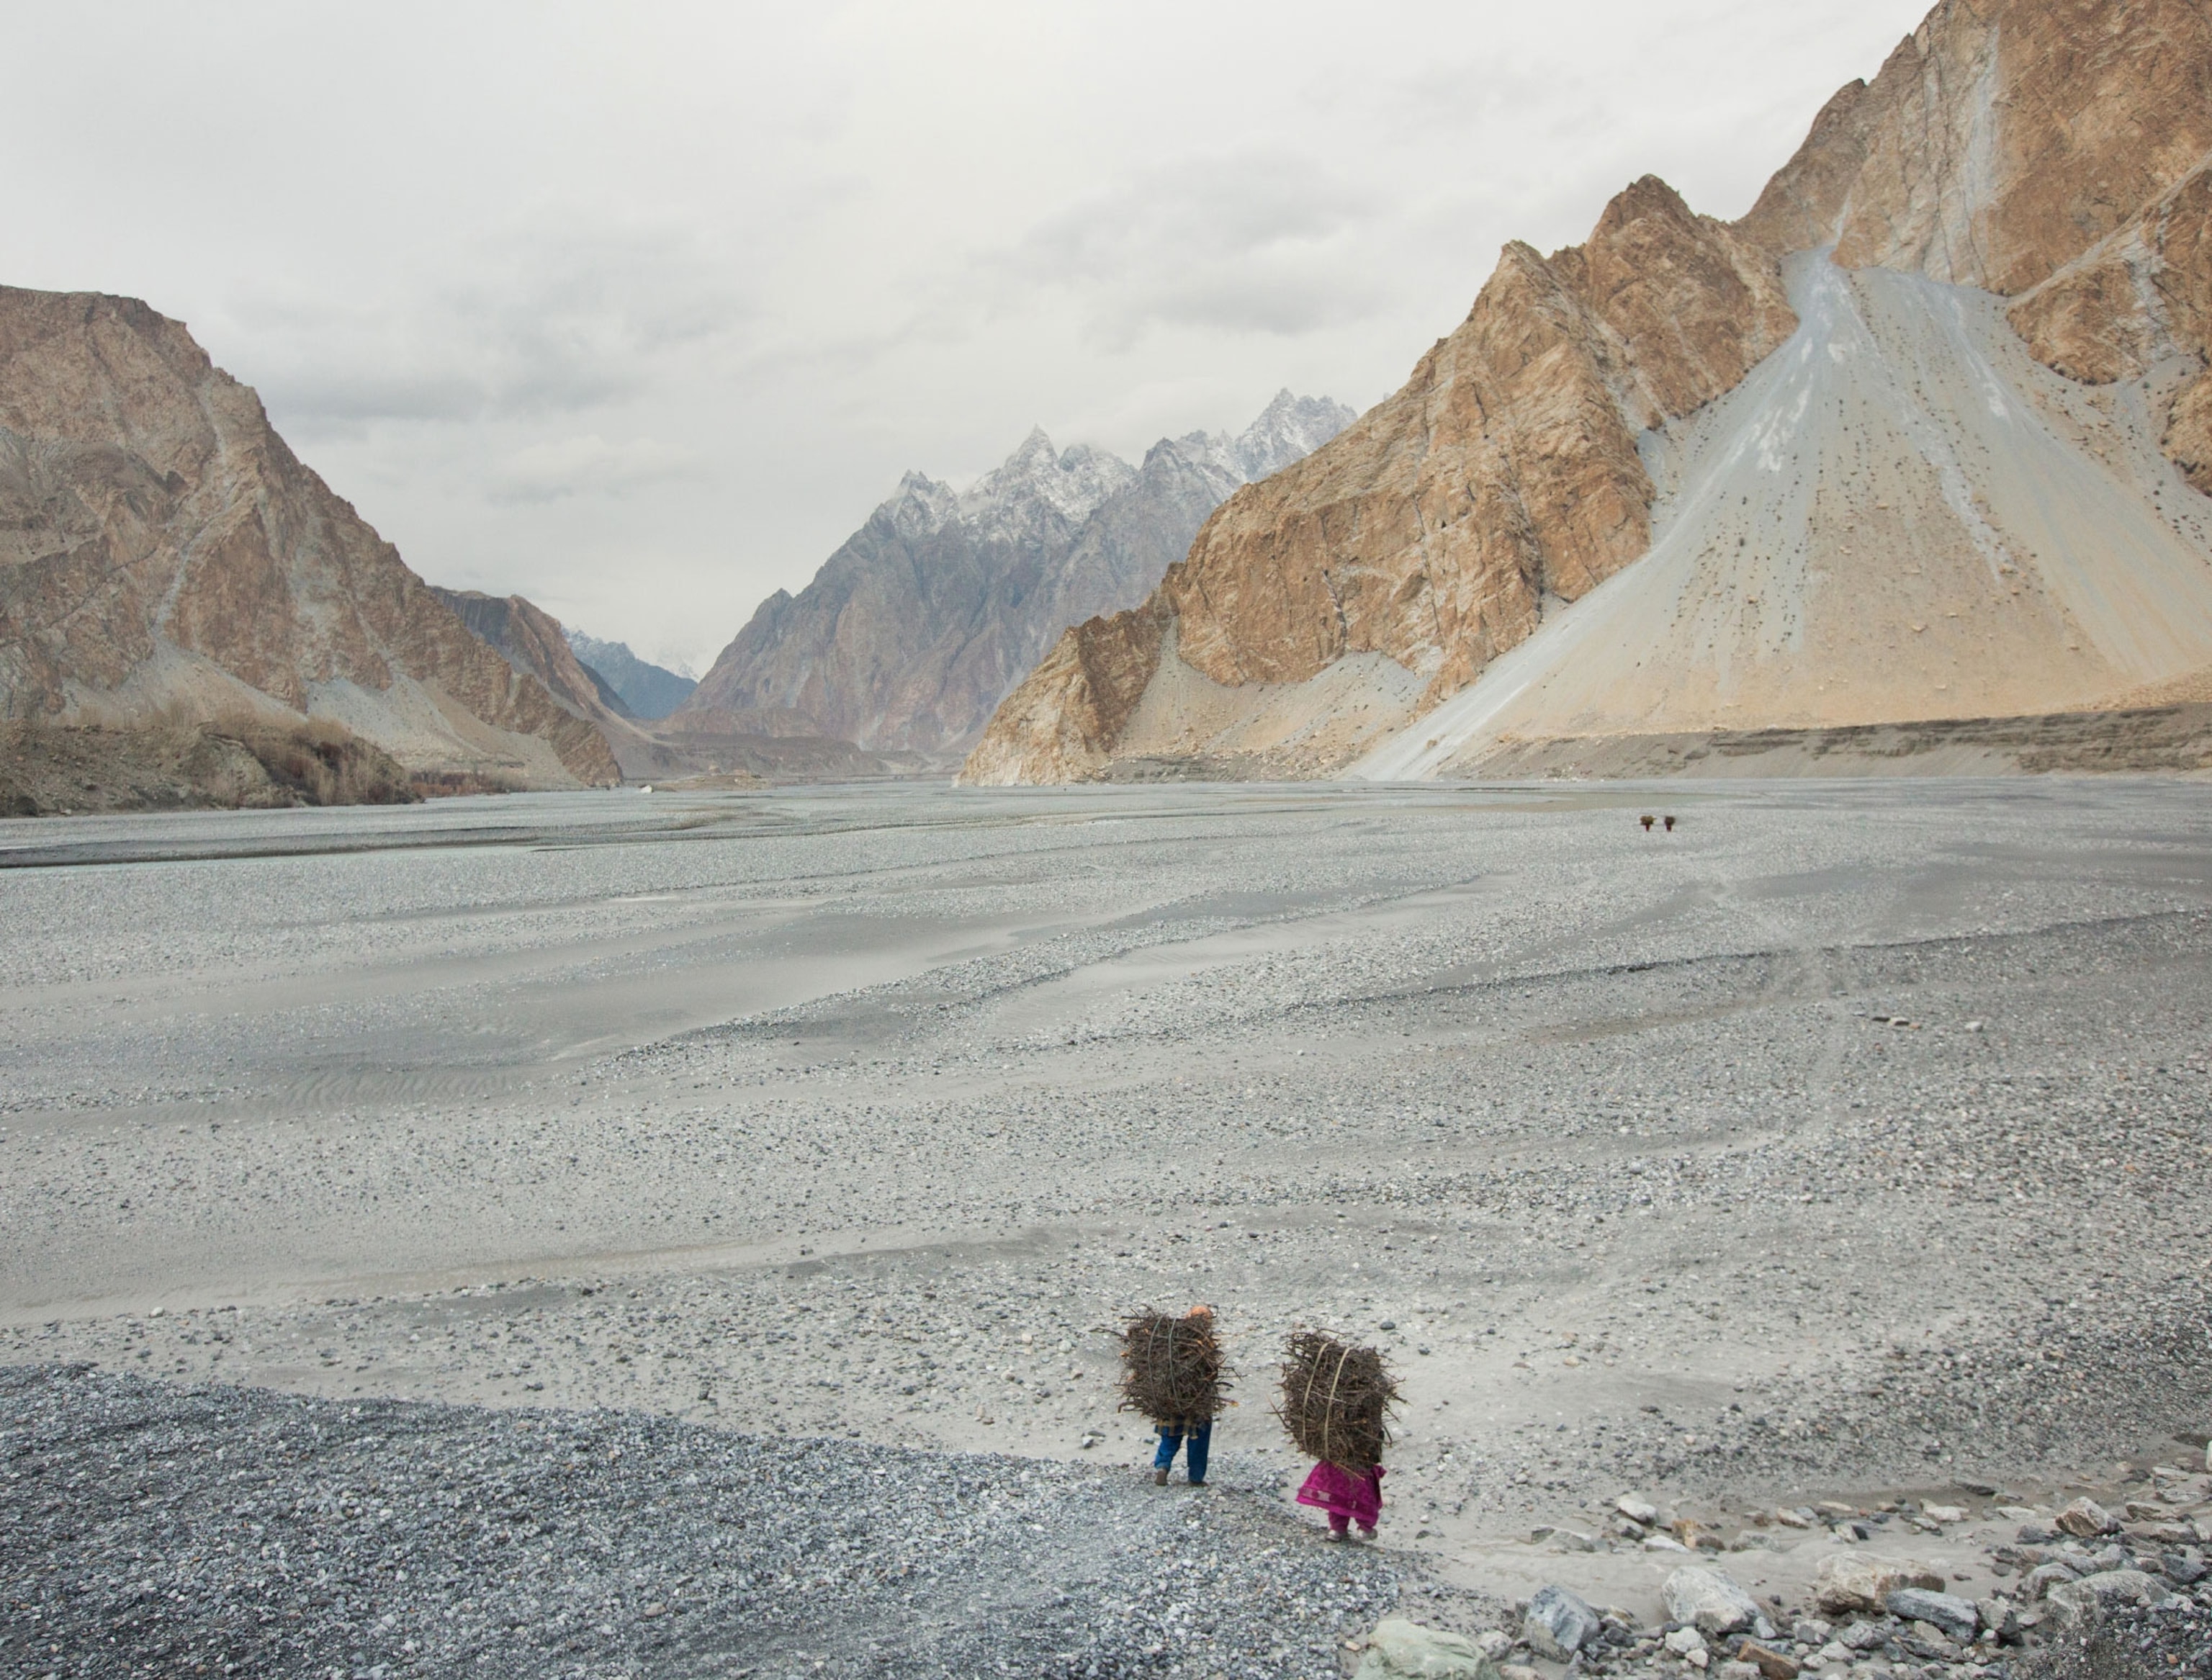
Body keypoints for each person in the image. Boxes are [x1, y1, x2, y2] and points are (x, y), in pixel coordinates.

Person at [1296, 1457, 1385, 1539]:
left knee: (1338, 1499)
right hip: (1360, 1467)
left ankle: (1337, 1529)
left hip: (1337, 1463)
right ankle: (1365, 1529)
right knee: (1364, 1497)